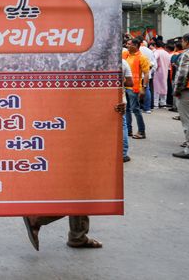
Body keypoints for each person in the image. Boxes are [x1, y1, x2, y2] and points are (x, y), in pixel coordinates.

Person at [21, 87, 127, 250]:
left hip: (88, 127)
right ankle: (41, 218)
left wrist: (119, 103)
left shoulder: (102, 69)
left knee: (82, 185)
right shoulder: (81, 72)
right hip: (80, 129)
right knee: (83, 186)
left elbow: (114, 94)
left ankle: (76, 233)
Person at [124, 38, 149, 139]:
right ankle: (128, 130)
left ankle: (141, 131)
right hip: (125, 86)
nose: (127, 45)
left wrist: (144, 88)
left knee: (135, 109)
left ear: (135, 46)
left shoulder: (142, 58)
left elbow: (146, 73)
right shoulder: (126, 55)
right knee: (127, 110)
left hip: (134, 88)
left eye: (129, 44)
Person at [152, 39, 170, 108]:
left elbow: (153, 60)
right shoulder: (166, 53)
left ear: (155, 45)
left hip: (158, 71)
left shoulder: (157, 52)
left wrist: (154, 67)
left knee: (156, 87)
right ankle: (163, 103)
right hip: (165, 71)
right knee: (164, 86)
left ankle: (155, 103)